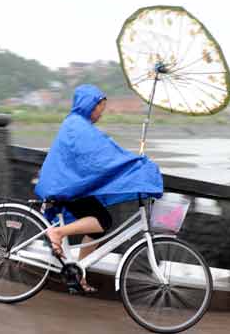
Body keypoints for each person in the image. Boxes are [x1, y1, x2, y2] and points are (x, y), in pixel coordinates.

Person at [34, 84, 163, 293]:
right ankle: (57, 232)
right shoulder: (79, 127)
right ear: (89, 105)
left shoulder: (77, 124)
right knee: (102, 221)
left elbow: (102, 154)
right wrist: (135, 164)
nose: (101, 112)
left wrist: (131, 161)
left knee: (98, 226)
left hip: (67, 185)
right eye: (99, 107)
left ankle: (78, 275)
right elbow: (103, 157)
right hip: (65, 187)